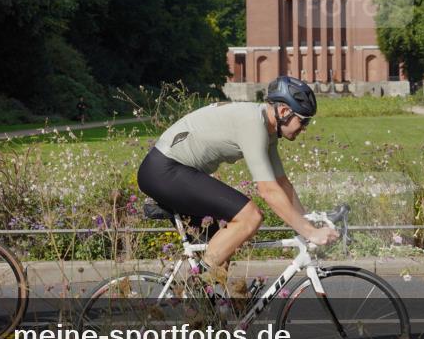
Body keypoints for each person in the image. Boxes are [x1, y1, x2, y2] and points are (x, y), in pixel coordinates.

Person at [137, 76, 338, 287]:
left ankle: (203, 311)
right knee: (249, 216)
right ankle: (197, 288)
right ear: (285, 112)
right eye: (303, 120)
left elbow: (282, 184)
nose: (305, 127)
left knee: (222, 256)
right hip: (164, 170)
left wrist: (307, 222)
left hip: (173, 171)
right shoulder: (253, 124)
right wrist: (310, 232)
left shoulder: (266, 130)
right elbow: (268, 191)